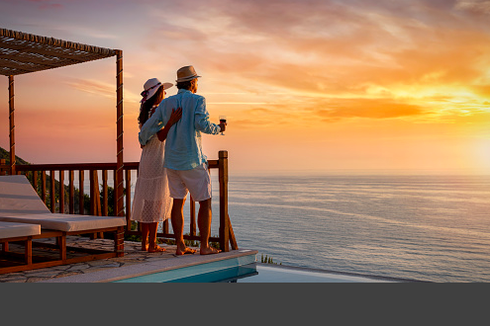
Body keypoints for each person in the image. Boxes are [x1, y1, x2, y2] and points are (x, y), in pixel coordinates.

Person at [139, 65, 226, 255]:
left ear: (179, 84)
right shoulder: (198, 100)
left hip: (171, 162)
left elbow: (149, 127)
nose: (197, 84)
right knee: (205, 201)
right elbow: (201, 124)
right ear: (193, 83)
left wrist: (142, 139)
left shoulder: (166, 103)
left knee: (178, 202)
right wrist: (219, 129)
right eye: (196, 81)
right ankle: (204, 246)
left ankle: (180, 246)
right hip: (192, 160)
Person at [131, 78, 182, 252]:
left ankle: (144, 242)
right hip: (157, 159)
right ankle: (152, 243)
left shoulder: (145, 112)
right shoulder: (156, 112)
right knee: (156, 202)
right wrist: (171, 122)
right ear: (158, 93)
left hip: (146, 158)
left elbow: (144, 140)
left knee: (147, 202)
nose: (165, 94)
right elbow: (161, 136)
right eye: (163, 91)